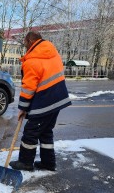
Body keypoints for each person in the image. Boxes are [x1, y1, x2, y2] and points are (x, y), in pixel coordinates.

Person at [9, 31, 71, 171]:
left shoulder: (32, 60)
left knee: (31, 132)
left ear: (31, 41)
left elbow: (28, 88)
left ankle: (25, 163)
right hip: (58, 99)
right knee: (46, 131)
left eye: (25, 42)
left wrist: (22, 108)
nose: (24, 45)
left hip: (45, 101)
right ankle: (48, 163)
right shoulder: (53, 53)